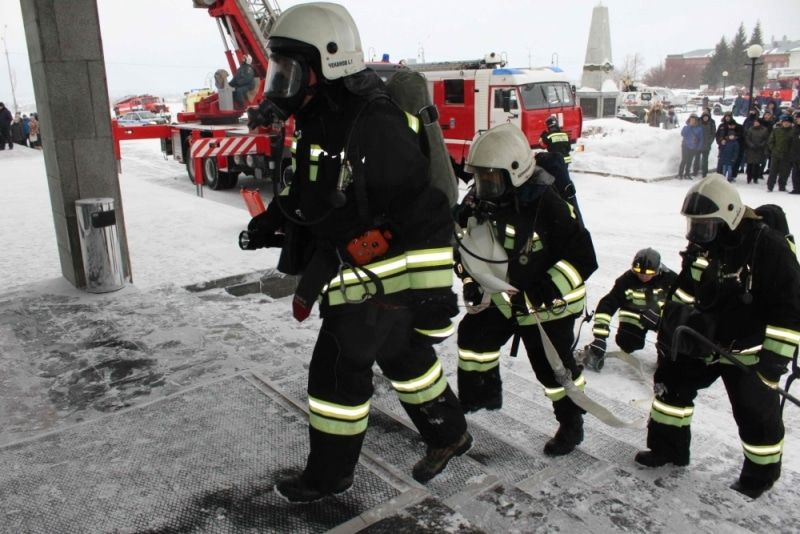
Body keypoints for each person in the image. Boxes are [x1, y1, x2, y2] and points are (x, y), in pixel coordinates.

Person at [243, 3, 470, 503]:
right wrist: (273, 220)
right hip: (355, 271)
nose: (281, 84)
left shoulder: (374, 122)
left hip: (381, 280)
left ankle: (328, 477)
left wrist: (434, 298)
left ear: (327, 64)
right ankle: (448, 433)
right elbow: (313, 189)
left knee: (335, 375)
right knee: (403, 356)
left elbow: (427, 211)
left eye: (289, 70)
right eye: (276, 71)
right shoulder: (322, 117)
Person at [635, 174, 800, 499]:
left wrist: (774, 360)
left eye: (704, 226)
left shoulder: (768, 248)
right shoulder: (704, 247)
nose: (697, 234)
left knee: (755, 414)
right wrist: (671, 334)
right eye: (694, 226)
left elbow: (791, 308)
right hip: (705, 344)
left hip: (748, 352)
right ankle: (669, 450)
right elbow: (684, 289)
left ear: (728, 219)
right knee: (671, 391)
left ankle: (758, 477)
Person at [453, 122, 598, 456]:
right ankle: (480, 396)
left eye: (491, 178)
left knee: (553, 370)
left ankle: (571, 423)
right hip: (505, 298)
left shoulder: (548, 202)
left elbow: (583, 258)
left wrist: (546, 289)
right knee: (473, 337)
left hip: (548, 304)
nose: (483, 185)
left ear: (515, 172)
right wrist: (471, 281)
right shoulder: (480, 201)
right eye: (480, 177)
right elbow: (463, 247)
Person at [584, 248, 677, 372]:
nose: (643, 276)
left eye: (648, 273)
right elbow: (606, 306)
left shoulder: (671, 280)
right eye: (639, 272)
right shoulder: (626, 280)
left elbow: (682, 310)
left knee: (670, 355)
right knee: (627, 344)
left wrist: (660, 321)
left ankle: (666, 352)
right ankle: (630, 339)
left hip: (663, 322)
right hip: (637, 319)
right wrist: (600, 338)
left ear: (657, 270)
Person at [766, 114, 795, 192]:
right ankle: (770, 186)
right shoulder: (776, 130)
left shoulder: (793, 131)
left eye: (788, 122)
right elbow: (770, 141)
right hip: (776, 154)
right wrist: (773, 150)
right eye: (784, 122)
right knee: (773, 171)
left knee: (785, 172)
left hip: (787, 155)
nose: (786, 123)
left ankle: (782, 186)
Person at [743, 117, 769, 184]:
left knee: (757, 164)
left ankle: (755, 178)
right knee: (750, 164)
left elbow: (766, 139)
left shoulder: (764, 130)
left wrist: (761, 145)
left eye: (757, 122)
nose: (755, 123)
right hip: (751, 149)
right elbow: (747, 138)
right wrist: (751, 145)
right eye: (755, 122)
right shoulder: (751, 129)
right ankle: (749, 177)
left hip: (759, 150)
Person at [678, 114, 703, 179]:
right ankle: (680, 174)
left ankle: (687, 173)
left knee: (690, 161)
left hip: (693, 147)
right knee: (684, 160)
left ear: (696, 121)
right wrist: (689, 126)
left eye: (693, 120)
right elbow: (683, 134)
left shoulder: (699, 129)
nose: (692, 121)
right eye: (691, 120)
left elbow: (701, 139)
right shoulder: (686, 127)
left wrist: (699, 147)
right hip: (685, 146)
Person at [695, 110, 716, 178]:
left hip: (707, 145)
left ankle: (704, 173)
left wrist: (710, 142)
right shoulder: (698, 122)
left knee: (705, 160)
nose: (705, 118)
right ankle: (695, 171)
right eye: (704, 117)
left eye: (707, 117)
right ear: (702, 117)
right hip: (698, 144)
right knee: (697, 158)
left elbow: (713, 134)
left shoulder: (711, 124)